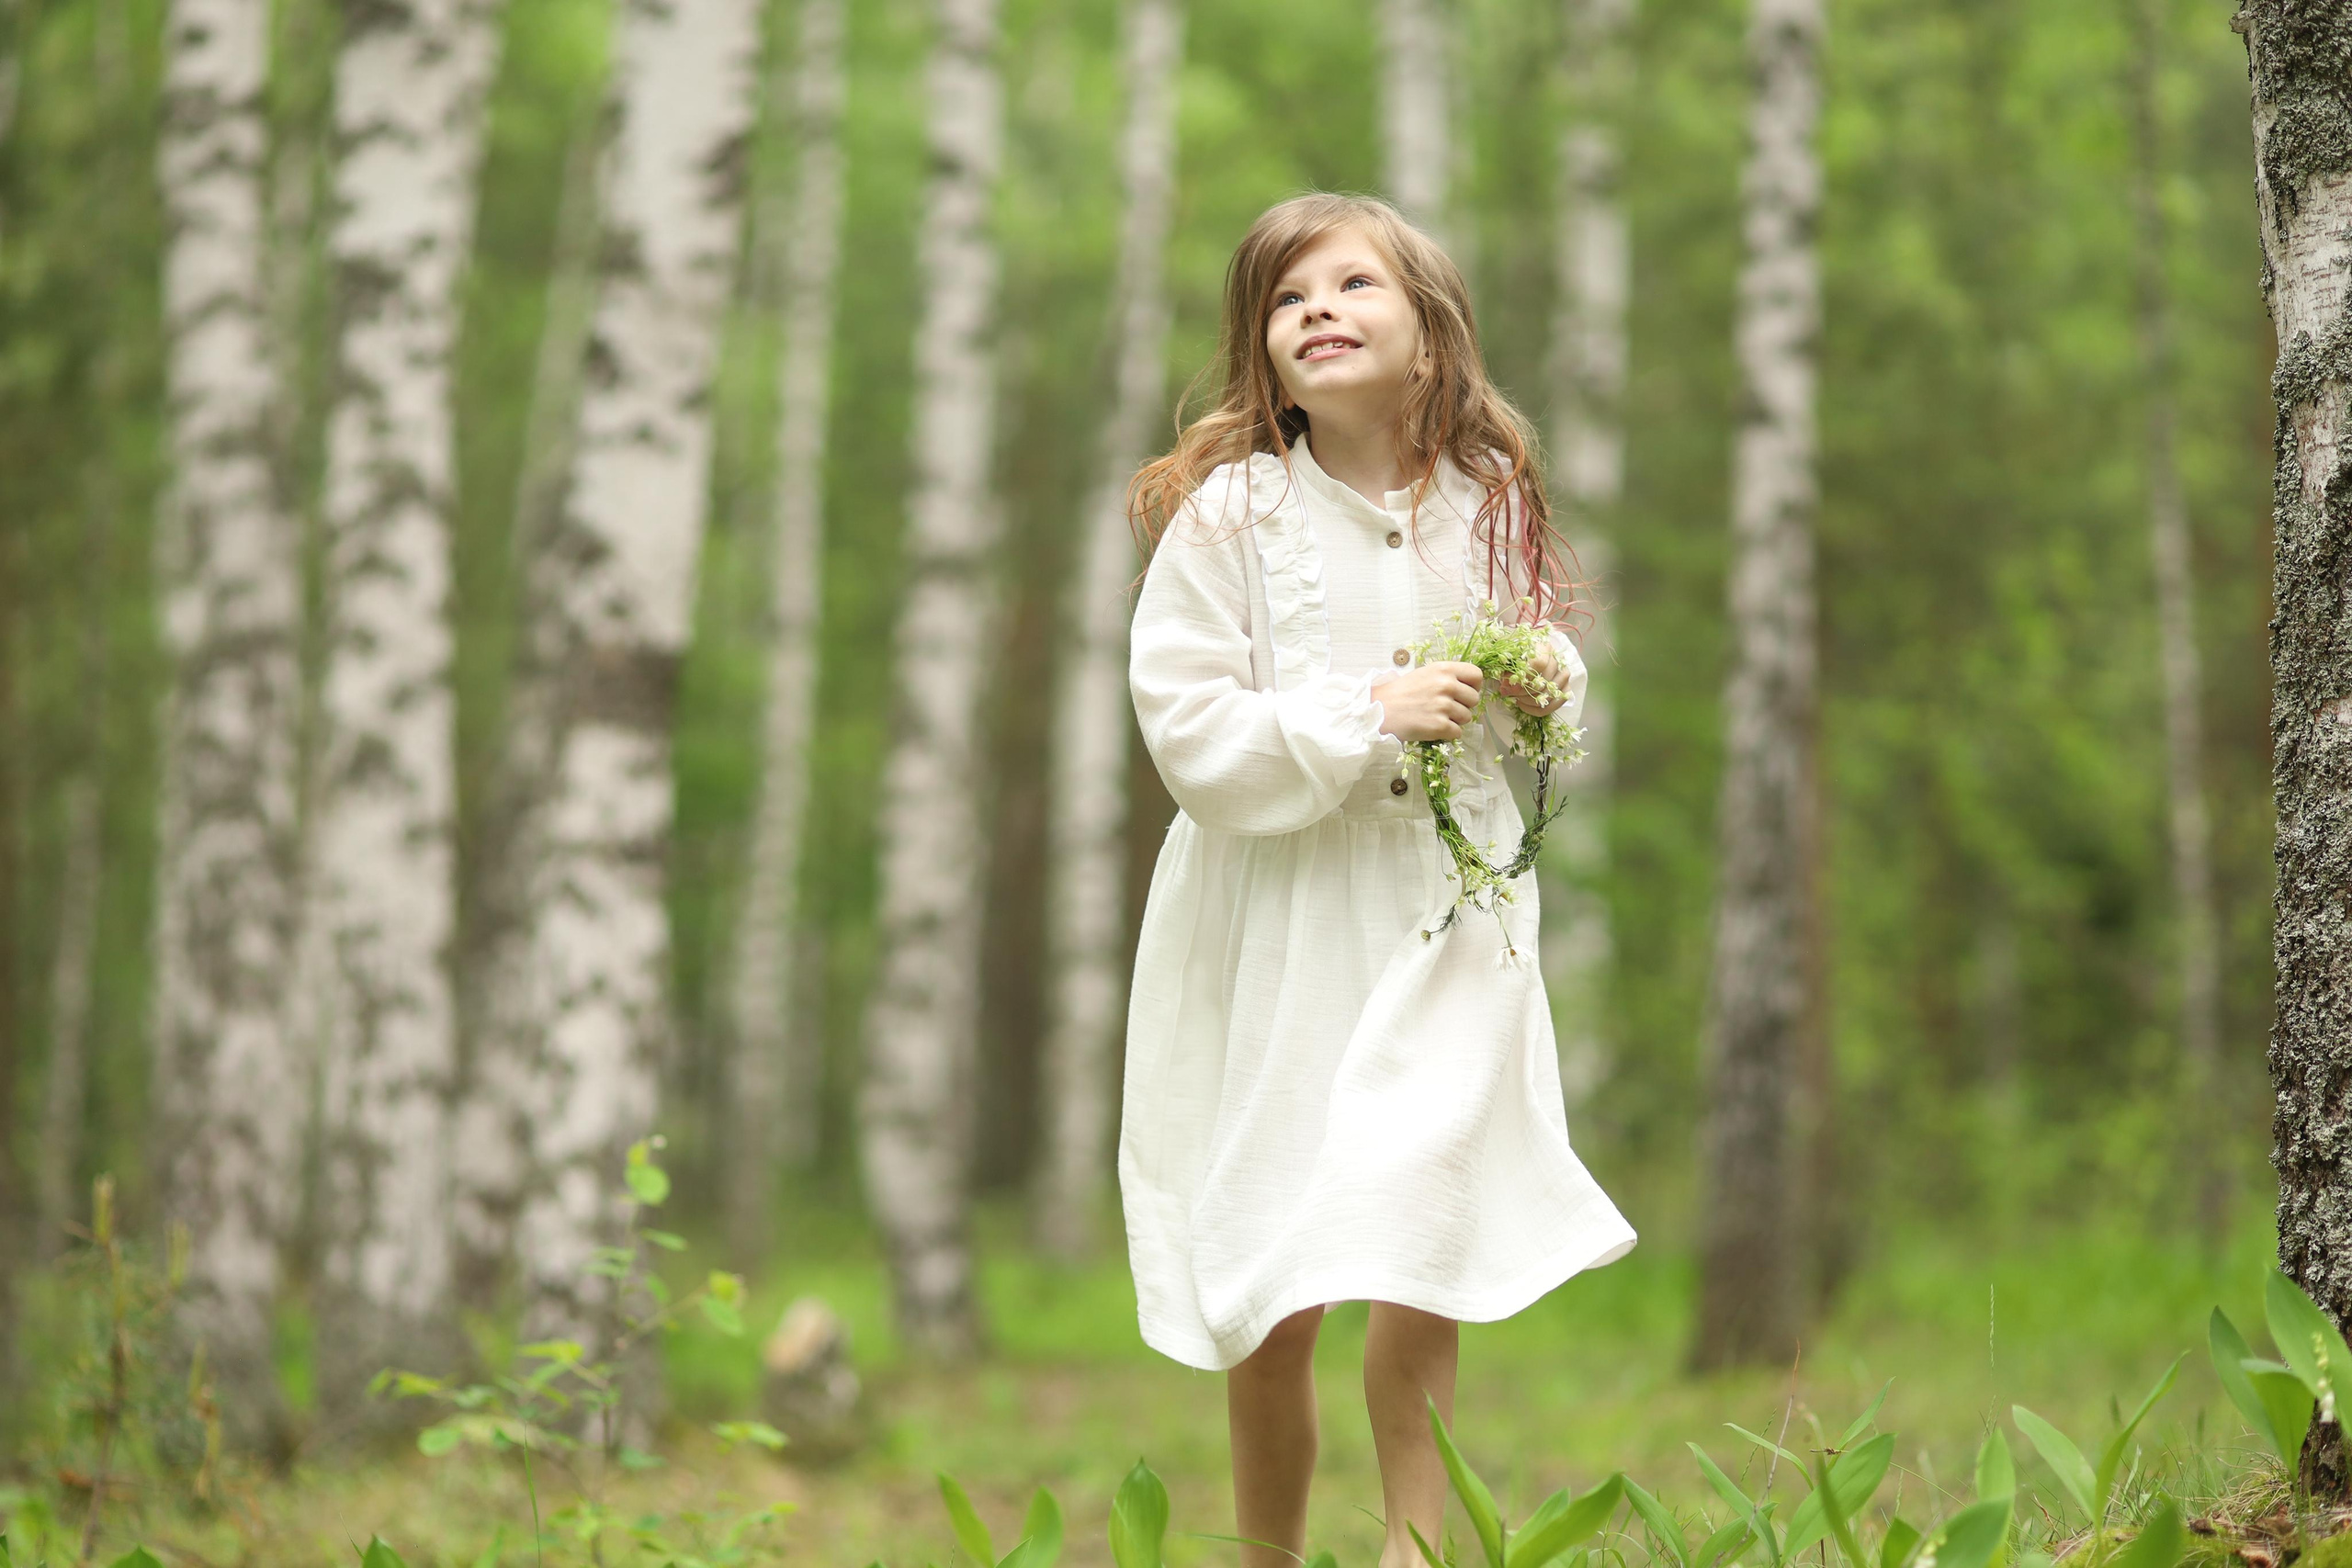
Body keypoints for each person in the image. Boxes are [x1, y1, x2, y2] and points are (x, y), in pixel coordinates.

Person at [1119, 192, 1638, 1568]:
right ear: (1263, 348)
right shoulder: (1230, 517)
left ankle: (1417, 1555)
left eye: (1354, 286)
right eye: (1290, 299)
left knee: (1422, 1241)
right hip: (1278, 925)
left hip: (1445, 917)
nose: (1321, 312)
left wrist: (1542, 680)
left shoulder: (1492, 501)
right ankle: (1269, 1557)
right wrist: (1364, 710)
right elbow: (1189, 734)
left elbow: (1539, 668)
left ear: (1429, 336)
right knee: (1278, 1285)